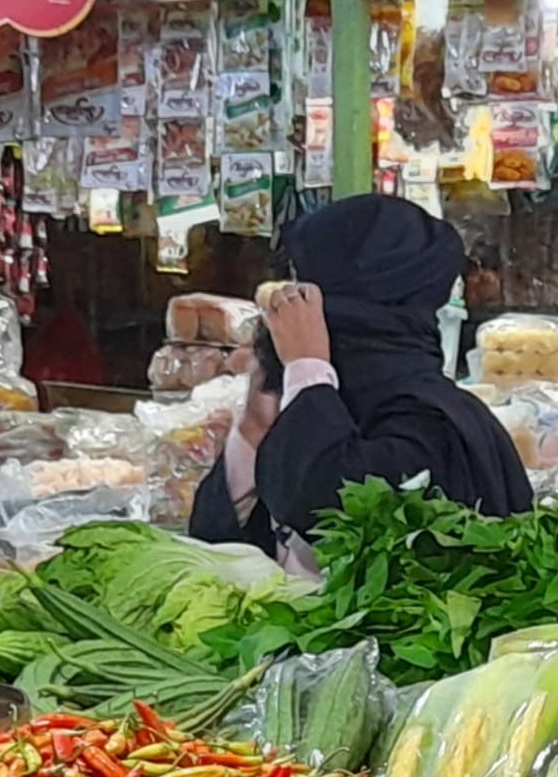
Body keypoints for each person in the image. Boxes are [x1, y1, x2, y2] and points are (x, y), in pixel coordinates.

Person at [191, 194, 531, 567]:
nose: (292, 310)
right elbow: (216, 547)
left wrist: (308, 370)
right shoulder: (316, 406)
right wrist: (253, 430)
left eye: (304, 291)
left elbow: (326, 509)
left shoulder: (430, 422)